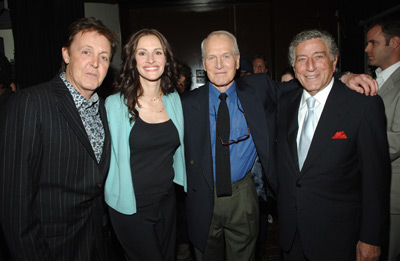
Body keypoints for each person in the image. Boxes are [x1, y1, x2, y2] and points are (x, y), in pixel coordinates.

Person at [181, 30, 378, 261]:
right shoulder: (185, 104)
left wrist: (343, 76)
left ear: (237, 60)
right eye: (212, 58)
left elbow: (308, 80)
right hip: (202, 195)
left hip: (244, 193)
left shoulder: (260, 88)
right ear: (203, 64)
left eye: (226, 56)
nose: (220, 64)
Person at [0, 17, 119, 260]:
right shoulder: (31, 103)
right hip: (52, 249)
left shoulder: (105, 108)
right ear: (66, 55)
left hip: (96, 243)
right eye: (86, 52)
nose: (95, 63)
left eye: (104, 57)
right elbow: (14, 207)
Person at [276, 29, 391, 261]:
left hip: (339, 238)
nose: (310, 66)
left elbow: (375, 179)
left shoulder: (363, 106)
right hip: (291, 235)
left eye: (318, 56)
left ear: (334, 59)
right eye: (301, 59)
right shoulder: (284, 101)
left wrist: (371, 238)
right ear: (293, 66)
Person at [104, 28, 186, 261]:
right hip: (130, 205)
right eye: (142, 53)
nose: (151, 60)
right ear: (132, 60)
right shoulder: (114, 104)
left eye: (157, 52)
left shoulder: (173, 100)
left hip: (167, 201)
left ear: (166, 59)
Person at [365, 16, 400, 261]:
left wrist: (352, 156)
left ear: (395, 42)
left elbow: (395, 140)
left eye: (373, 43)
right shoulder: (373, 79)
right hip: (370, 193)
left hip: (393, 195)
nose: (367, 49)